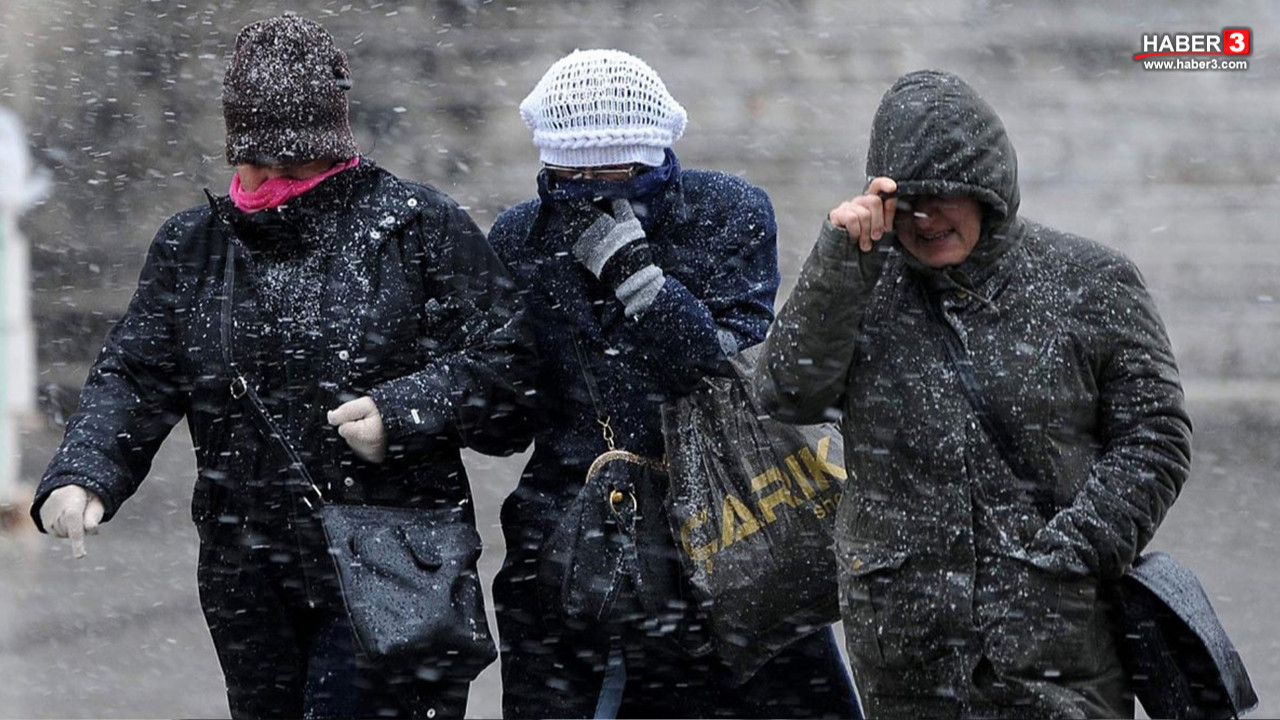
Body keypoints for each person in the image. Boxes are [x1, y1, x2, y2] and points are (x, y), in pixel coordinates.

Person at [30, 15, 533, 719]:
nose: (269, 181)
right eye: (255, 162)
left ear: (334, 149)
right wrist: (85, 473)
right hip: (248, 579)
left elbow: (511, 376)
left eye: (292, 168)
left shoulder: (419, 229)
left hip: (392, 568)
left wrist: (403, 412)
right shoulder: (192, 247)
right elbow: (136, 374)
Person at [754, 69, 1193, 719]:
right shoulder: (859, 287)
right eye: (908, 200)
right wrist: (838, 258)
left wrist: (1067, 557)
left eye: (946, 196)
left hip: (1060, 646)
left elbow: (1154, 436)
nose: (926, 219)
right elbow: (784, 393)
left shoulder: (1091, 281)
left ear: (988, 189)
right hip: (907, 653)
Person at [487, 49, 859, 720]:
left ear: (655, 156)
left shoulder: (732, 212)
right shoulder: (520, 236)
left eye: (615, 171)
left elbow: (713, 370)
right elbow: (508, 402)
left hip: (728, 528)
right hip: (577, 551)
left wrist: (637, 276)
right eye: (570, 173)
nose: (591, 190)